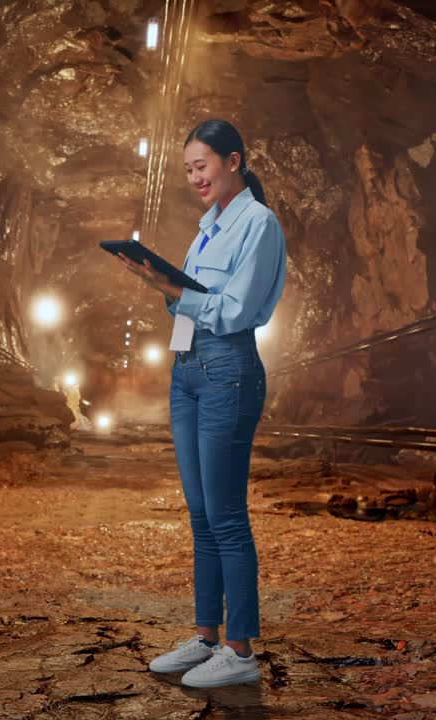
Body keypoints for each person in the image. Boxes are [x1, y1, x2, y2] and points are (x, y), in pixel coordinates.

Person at [116, 119, 287, 688]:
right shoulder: (207, 228)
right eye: (188, 168)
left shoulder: (258, 225)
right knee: (200, 515)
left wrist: (175, 291)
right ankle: (207, 636)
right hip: (187, 369)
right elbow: (189, 304)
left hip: (227, 370)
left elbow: (235, 311)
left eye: (202, 165)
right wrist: (162, 284)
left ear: (233, 161)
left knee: (227, 515)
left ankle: (239, 651)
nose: (195, 177)